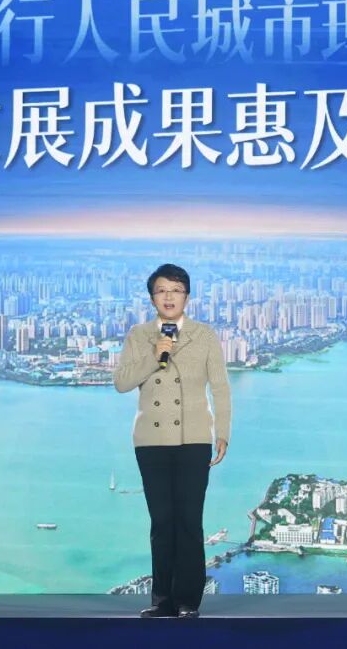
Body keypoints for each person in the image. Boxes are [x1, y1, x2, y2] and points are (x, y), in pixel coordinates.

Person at [113, 263, 231, 619]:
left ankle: (188, 602)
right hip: (151, 439)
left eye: (176, 290)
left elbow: (220, 387)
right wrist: (154, 356)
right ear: (152, 298)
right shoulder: (139, 335)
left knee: (189, 521)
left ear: (187, 297)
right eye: (162, 290)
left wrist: (222, 432)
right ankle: (162, 600)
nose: (169, 296)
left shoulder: (204, 335)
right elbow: (122, 382)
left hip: (194, 437)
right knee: (162, 522)